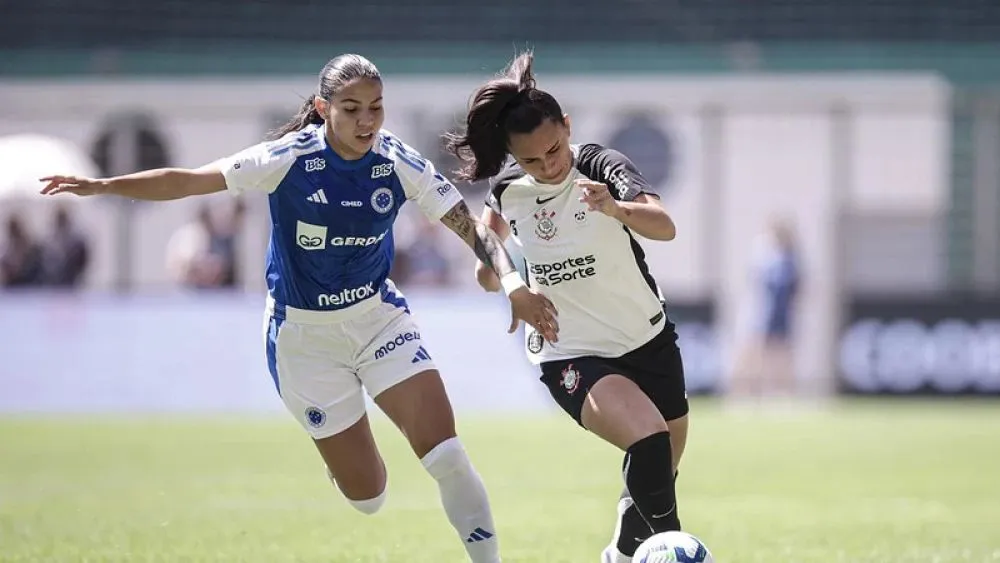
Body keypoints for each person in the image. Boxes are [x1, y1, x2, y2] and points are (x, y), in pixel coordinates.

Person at [40, 53, 559, 563]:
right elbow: (189, 180)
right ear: (323, 108)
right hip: (303, 341)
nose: (367, 120)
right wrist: (104, 185)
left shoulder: (398, 163)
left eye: (376, 107)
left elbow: (471, 229)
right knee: (369, 496)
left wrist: (513, 284)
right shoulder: (287, 158)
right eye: (351, 109)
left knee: (447, 455)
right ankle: (343, 453)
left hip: (378, 321)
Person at [446, 50, 687, 563]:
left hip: (647, 336)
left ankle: (624, 553)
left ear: (568, 128)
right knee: (648, 440)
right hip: (570, 350)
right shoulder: (508, 191)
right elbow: (484, 261)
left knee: (661, 462)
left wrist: (615, 208)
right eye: (531, 161)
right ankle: (676, 551)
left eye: (554, 150)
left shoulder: (601, 165)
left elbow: (664, 226)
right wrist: (511, 283)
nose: (548, 165)